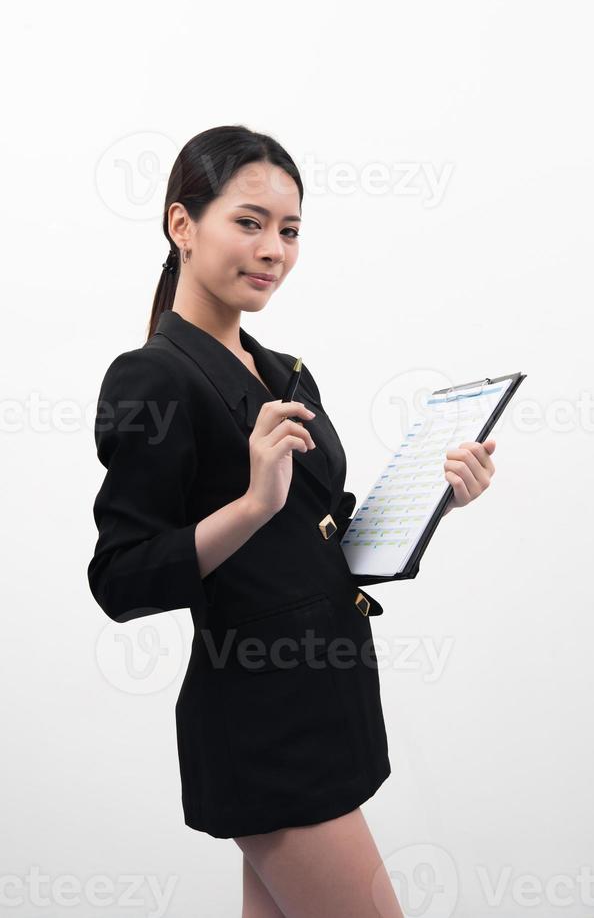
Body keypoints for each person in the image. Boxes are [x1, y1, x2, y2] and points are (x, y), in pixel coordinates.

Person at [87, 124, 497, 917]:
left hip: (329, 699)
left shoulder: (284, 370)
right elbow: (120, 576)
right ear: (182, 225)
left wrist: (436, 498)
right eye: (248, 222)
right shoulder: (152, 377)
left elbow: (319, 542)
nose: (272, 248)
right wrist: (251, 504)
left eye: (289, 229)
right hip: (262, 721)